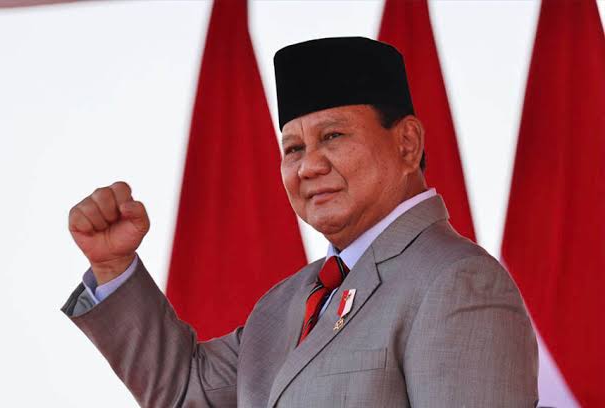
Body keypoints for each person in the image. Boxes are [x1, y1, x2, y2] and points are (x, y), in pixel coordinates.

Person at [61, 37, 538, 407]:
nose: (308, 166)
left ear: (407, 144)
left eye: (333, 136)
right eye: (293, 148)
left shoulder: (456, 281)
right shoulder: (286, 304)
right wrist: (114, 266)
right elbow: (187, 391)